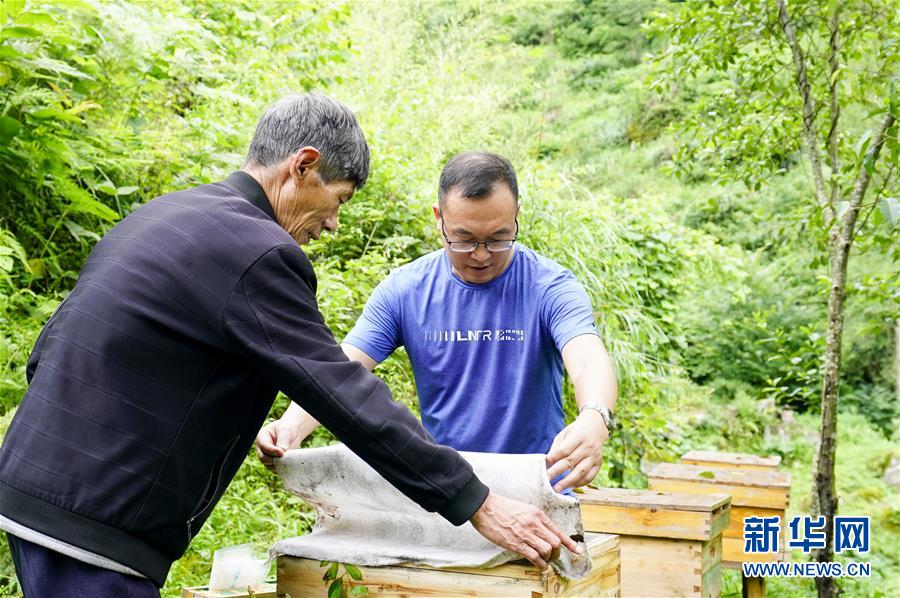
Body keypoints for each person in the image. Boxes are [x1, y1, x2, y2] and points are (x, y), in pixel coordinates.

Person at [0, 96, 577, 598]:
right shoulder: (257, 251)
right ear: (304, 166)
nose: (330, 226)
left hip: (33, 493)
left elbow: (48, 349)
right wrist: (476, 502)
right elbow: (342, 392)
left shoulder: (162, 216)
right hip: (97, 523)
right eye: (339, 202)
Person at [258, 151, 617, 496]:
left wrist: (594, 418)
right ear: (439, 218)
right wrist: (290, 426)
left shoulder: (549, 285)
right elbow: (341, 370)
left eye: (498, 238)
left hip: (540, 490)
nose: (480, 254)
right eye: (463, 239)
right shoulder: (406, 290)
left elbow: (586, 358)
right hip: (454, 495)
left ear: (517, 216)